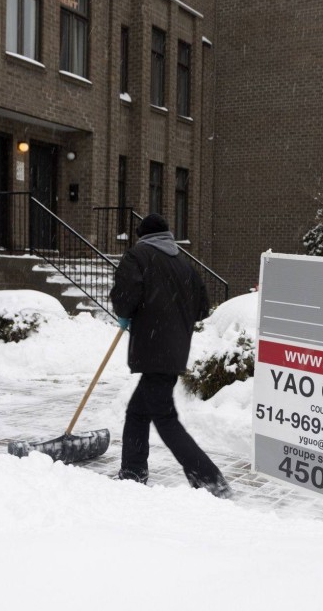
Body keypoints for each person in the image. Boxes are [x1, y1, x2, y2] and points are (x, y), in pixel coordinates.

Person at [109, 213, 233, 499]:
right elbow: (202, 308)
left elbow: (125, 297)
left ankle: (209, 478)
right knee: (138, 412)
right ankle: (133, 471)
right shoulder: (182, 262)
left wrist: (128, 314)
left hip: (152, 348)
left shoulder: (137, 256)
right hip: (173, 348)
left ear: (143, 236)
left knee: (165, 418)